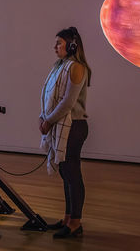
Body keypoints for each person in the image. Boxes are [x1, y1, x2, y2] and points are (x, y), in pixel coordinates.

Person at [38, 26, 92, 239]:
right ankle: (68, 217)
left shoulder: (76, 68)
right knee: (65, 173)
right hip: (61, 125)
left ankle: (75, 223)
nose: (55, 47)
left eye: (59, 43)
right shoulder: (59, 66)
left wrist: (49, 121)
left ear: (71, 46)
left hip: (74, 127)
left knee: (72, 173)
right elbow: (48, 95)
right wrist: (43, 116)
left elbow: (67, 102)